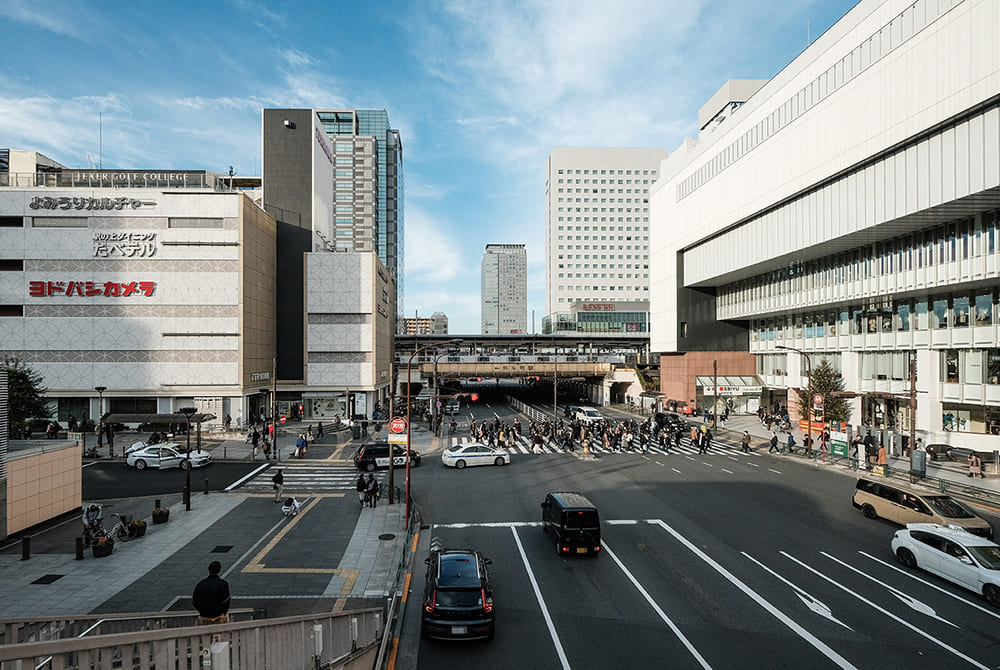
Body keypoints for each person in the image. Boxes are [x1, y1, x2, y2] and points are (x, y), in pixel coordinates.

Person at [192, 561, 231, 625]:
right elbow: (226, 601)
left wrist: (201, 610)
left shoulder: (201, 584)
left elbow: (194, 601)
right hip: (219, 616)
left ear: (209, 570)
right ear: (219, 570)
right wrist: (224, 612)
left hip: (204, 616)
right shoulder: (223, 584)